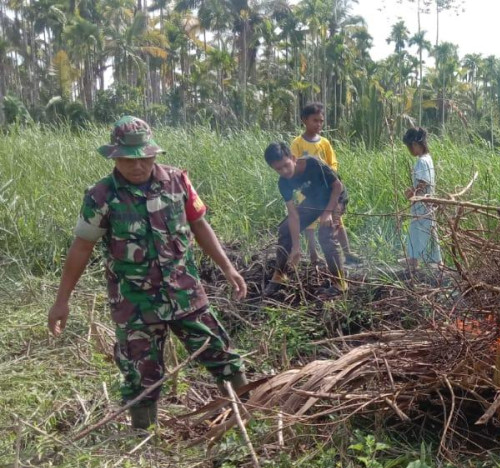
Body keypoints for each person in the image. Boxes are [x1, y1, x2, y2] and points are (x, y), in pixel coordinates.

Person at [47, 116, 248, 430]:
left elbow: (199, 225)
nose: (137, 166)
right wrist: (62, 301)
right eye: (128, 160)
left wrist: (228, 267)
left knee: (220, 353)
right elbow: (81, 247)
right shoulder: (101, 196)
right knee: (141, 376)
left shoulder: (178, 182)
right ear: (114, 157)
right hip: (135, 304)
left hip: (185, 294)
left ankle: (246, 417)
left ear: (154, 153)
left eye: (143, 158)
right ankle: (144, 441)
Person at [263, 141, 348, 298]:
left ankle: (340, 283)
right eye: (278, 169)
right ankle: (280, 275)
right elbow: (293, 215)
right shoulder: (283, 183)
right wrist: (296, 247)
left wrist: (328, 213)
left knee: (325, 232)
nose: (284, 171)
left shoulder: (313, 163)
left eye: (286, 165)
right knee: (285, 228)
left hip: (335, 198)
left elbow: (337, 186)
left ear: (293, 158)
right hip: (314, 201)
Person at [290, 102, 361, 265]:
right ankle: (314, 255)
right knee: (310, 224)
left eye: (321, 121)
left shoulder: (325, 143)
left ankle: (347, 252)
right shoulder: (297, 143)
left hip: (328, 190)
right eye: (315, 120)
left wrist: (329, 174)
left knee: (336, 220)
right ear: (304, 120)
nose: (318, 124)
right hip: (309, 191)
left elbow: (333, 164)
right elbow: (295, 165)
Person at [402, 127, 442, 271]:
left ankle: (430, 263)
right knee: (419, 231)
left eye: (409, 147)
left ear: (415, 145)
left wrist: (412, 192)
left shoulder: (422, 162)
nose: (410, 150)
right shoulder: (428, 159)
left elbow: (423, 182)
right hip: (426, 203)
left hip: (422, 203)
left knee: (423, 232)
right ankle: (414, 259)